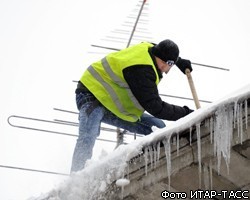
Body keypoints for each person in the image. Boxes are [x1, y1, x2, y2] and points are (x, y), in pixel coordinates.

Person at [71, 39, 193, 172]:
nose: (164, 68)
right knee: (88, 136)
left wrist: (178, 61)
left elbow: (162, 50)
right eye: (163, 63)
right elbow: (157, 108)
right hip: (91, 93)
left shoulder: (150, 49)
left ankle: (151, 167)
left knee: (157, 127)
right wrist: (187, 113)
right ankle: (75, 181)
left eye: (168, 65)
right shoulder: (142, 71)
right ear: (157, 56)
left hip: (110, 102)